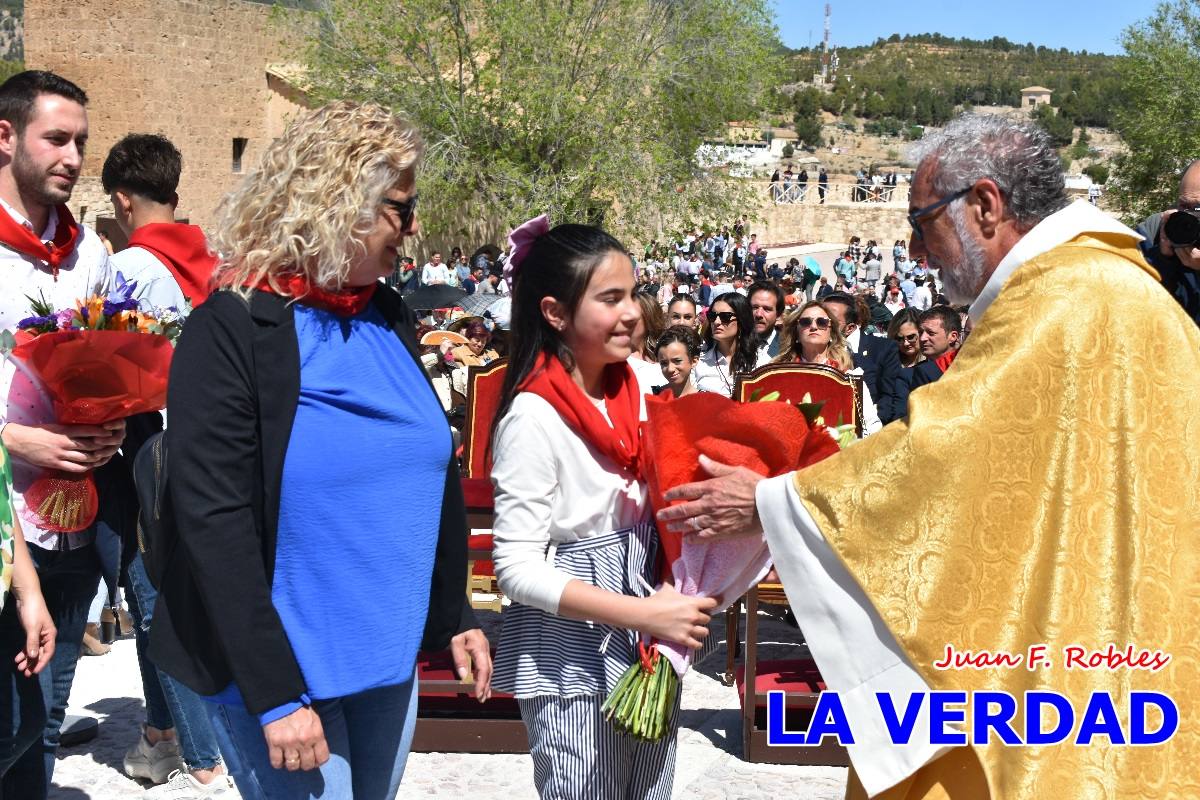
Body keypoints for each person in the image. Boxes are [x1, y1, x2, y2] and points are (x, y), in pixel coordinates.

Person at [658, 113, 1200, 799]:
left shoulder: (1058, 303)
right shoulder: (1110, 288)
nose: (916, 252)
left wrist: (769, 503)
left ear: (985, 204)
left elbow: (940, 458)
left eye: (921, 223)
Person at [150, 101, 492, 800]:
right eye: (402, 207)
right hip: (285, 678)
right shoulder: (233, 331)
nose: (414, 225)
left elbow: (429, 472)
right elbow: (214, 523)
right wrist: (275, 694)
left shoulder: (387, 313)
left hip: (387, 662)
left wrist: (453, 614)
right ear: (342, 203)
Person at [489, 220, 716, 800]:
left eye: (634, 293)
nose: (633, 313)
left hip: (646, 622)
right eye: (609, 298)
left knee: (646, 788)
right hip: (571, 644)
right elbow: (515, 568)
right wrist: (638, 615)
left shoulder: (635, 388)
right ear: (556, 312)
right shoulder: (533, 419)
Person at [0, 70, 125, 797]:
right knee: (8, 722)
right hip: (2, 528)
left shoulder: (91, 257)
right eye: (57, 139)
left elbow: (112, 364)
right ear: (7, 137)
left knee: (44, 718)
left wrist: (108, 423)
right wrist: (16, 439)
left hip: (74, 521)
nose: (74, 157)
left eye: (81, 142)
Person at [102, 132, 232, 795]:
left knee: (152, 592)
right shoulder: (210, 263)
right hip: (213, 447)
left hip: (149, 448)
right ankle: (160, 733)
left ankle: (203, 754)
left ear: (123, 200)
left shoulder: (130, 267)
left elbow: (115, 363)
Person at [773, 301, 882, 433]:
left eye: (822, 322)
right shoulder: (777, 375)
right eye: (806, 322)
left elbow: (871, 426)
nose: (813, 326)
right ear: (796, 334)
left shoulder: (849, 378)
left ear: (831, 333)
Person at [1135, 158, 1200, 326]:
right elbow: (1132, 307)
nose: (1191, 217)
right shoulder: (1156, 230)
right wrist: (1162, 259)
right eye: (1184, 206)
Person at [821, 292, 902, 425]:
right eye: (820, 319)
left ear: (850, 328)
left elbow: (889, 397)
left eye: (830, 320)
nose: (821, 324)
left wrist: (871, 431)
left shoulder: (884, 348)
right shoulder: (813, 350)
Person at [692, 292, 764, 397]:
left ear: (742, 320)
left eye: (725, 316)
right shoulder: (698, 360)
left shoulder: (760, 361)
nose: (716, 322)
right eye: (712, 316)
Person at [909, 305, 962, 390]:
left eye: (931, 333)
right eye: (921, 332)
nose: (922, 338)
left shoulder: (970, 365)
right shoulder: (910, 374)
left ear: (953, 336)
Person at [654, 325, 701, 398]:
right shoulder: (652, 397)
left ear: (694, 361)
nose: (670, 369)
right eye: (664, 363)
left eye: (677, 361)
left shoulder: (705, 401)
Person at [748, 280, 784, 360]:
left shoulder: (786, 349)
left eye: (767, 309)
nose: (759, 314)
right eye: (755, 307)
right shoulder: (734, 343)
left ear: (778, 315)